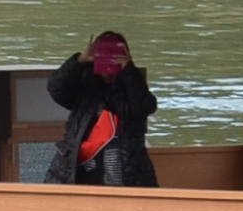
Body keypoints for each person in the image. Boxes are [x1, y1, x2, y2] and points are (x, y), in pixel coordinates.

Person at [48, 31, 160, 186]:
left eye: (114, 53)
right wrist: (80, 60)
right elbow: (56, 89)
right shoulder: (84, 84)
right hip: (78, 170)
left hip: (126, 172)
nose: (109, 59)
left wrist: (128, 70)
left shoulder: (132, 82)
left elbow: (145, 106)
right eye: (103, 53)